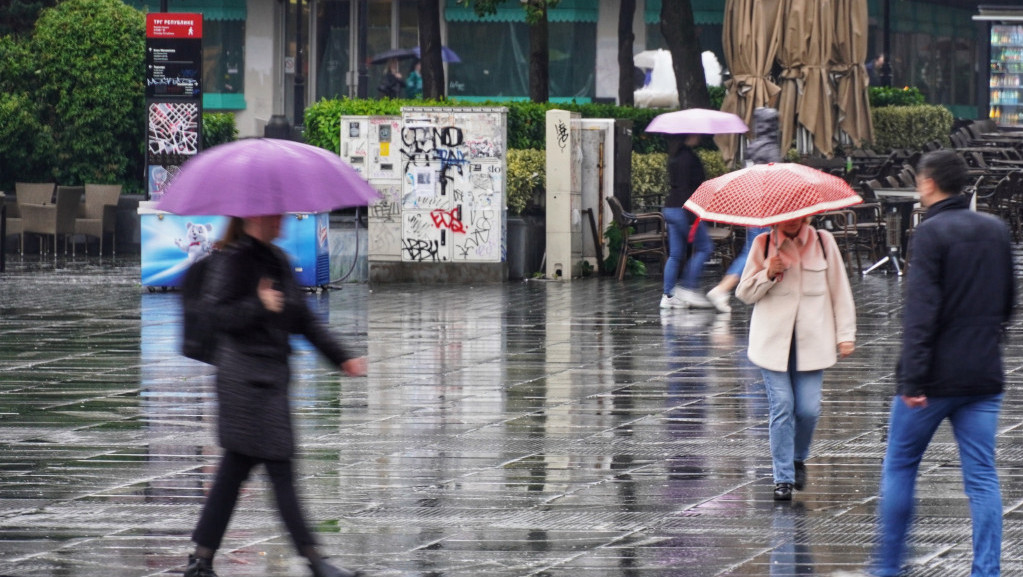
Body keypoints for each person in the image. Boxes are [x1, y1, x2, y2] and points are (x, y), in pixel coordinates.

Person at [184, 215, 368, 577]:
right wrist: (259, 304)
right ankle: (315, 562)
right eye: (276, 215)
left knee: (234, 473)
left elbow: (304, 320)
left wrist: (341, 356)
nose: (282, 220)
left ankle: (201, 559)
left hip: (269, 381)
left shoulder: (278, 259)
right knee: (279, 470)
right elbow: (215, 314)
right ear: (257, 217)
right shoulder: (233, 259)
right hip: (244, 383)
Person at [864, 150, 1014, 577]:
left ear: (929, 183)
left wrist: (912, 379)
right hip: (984, 376)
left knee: (900, 465)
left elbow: (921, 313)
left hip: (931, 380)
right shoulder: (995, 229)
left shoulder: (930, 233)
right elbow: (1008, 302)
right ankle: (987, 570)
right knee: (982, 478)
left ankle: (887, 567)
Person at [735, 216, 856, 501]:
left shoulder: (824, 244)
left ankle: (798, 458)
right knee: (783, 406)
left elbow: (840, 290)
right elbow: (744, 294)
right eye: (786, 216)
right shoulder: (763, 244)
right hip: (772, 343)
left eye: (798, 216)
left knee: (809, 410)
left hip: (813, 343)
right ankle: (783, 478)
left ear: (808, 215)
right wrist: (767, 273)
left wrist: (845, 334)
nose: (792, 221)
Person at [705, 107, 779, 313]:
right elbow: (772, 181)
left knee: (755, 249)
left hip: (752, 206)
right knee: (753, 251)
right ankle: (723, 288)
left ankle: (755, 289)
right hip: (765, 208)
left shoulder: (754, 146)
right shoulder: (771, 149)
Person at [660, 134, 714, 309]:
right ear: (689, 135)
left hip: (671, 208)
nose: (699, 136)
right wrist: (691, 218)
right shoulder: (689, 158)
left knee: (676, 254)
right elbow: (687, 188)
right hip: (685, 210)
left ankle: (668, 296)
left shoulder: (674, 155)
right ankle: (688, 288)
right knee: (705, 248)